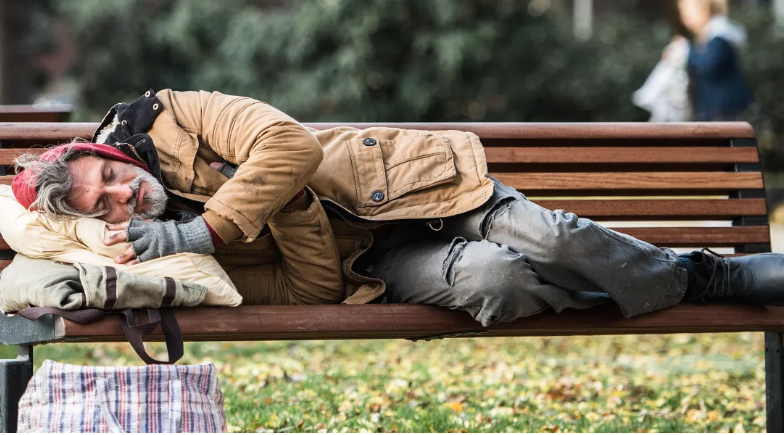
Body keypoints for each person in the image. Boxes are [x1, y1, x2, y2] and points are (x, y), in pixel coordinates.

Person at [10, 89, 784, 327]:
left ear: (106, 153)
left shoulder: (171, 114)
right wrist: (282, 208)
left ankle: (703, 276)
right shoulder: (169, 261)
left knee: (552, 238)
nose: (120, 195)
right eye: (102, 206)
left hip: (410, 187)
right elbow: (310, 289)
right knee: (499, 281)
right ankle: (670, 280)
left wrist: (206, 226)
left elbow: (288, 143)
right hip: (378, 264)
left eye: (106, 176)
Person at [675, 0, 752, 121]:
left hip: (725, 110)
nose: (684, 16)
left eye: (687, 10)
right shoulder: (708, 35)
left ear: (704, 9)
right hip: (716, 110)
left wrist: (686, 52)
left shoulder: (720, 35)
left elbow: (708, 66)